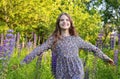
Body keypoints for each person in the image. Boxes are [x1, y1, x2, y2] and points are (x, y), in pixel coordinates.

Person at [21, 12, 114, 79]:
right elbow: (39, 49)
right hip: (61, 72)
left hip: (76, 70)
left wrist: (106, 58)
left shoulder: (76, 39)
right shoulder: (53, 39)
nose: (64, 22)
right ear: (58, 23)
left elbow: (94, 49)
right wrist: (24, 61)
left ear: (70, 23)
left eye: (67, 20)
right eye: (62, 20)